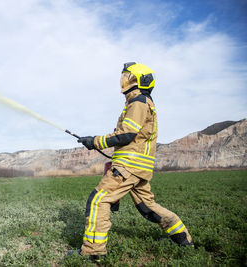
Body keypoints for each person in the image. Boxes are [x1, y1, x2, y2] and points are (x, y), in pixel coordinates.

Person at [69, 62, 193, 263]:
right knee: (148, 207)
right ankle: (182, 239)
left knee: (98, 200)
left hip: (128, 167)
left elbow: (126, 134)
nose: (123, 79)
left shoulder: (138, 102)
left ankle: (93, 253)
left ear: (138, 80)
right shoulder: (141, 103)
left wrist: (94, 141)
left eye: (127, 75)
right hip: (138, 168)